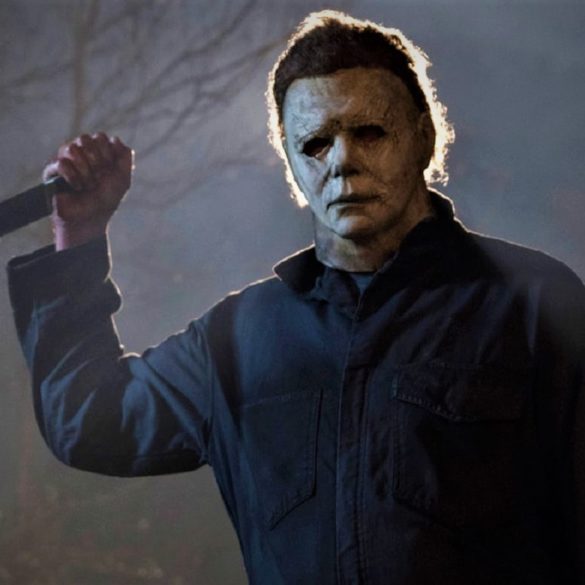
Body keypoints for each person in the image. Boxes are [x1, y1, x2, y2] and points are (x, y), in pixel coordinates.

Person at [7, 10, 585, 584]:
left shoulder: (536, 307)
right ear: (289, 162)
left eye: (370, 132)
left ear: (424, 137)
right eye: (315, 144)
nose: (343, 161)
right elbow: (89, 421)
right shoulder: (239, 339)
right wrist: (79, 237)